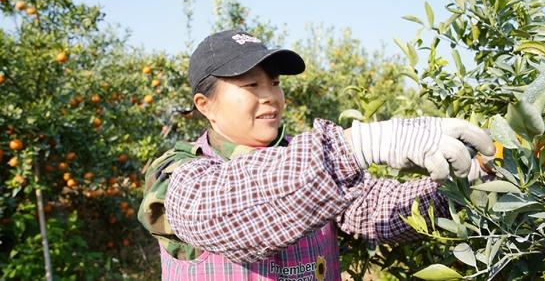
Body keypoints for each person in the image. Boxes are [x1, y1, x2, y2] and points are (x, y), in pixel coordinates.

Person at [138, 30, 495, 281]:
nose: (270, 97)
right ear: (206, 105)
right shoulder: (179, 173)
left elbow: (376, 209)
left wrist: (468, 189)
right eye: (251, 85)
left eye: (275, 83)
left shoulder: (306, 157)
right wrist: (357, 146)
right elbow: (218, 209)